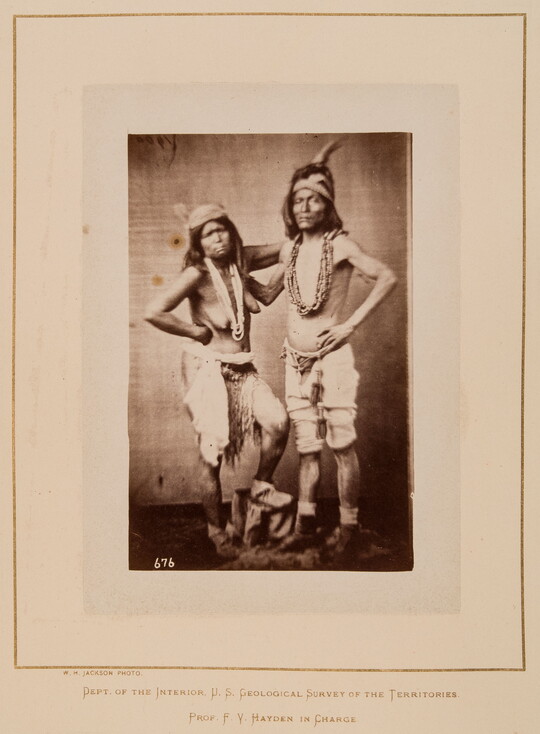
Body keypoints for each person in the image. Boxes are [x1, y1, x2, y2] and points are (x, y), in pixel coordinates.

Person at [248, 141, 397, 565]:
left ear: (327, 204)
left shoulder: (341, 245)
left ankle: (349, 529)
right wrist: (228, 278)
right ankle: (304, 527)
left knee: (342, 445)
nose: (304, 207)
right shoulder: (290, 249)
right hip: (294, 361)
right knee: (308, 448)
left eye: (313, 199)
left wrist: (350, 324)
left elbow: (387, 276)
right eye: (297, 200)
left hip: (332, 361)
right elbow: (265, 294)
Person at [145, 203, 291, 559]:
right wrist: (194, 331)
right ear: (198, 243)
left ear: (231, 230)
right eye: (208, 234)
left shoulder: (243, 261)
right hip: (208, 370)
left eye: (221, 229)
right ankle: (216, 531)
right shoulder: (196, 274)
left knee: (278, 422)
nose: (217, 238)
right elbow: (154, 311)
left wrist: (300, 239)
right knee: (212, 456)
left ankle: (260, 490)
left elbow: (288, 247)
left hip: (243, 368)